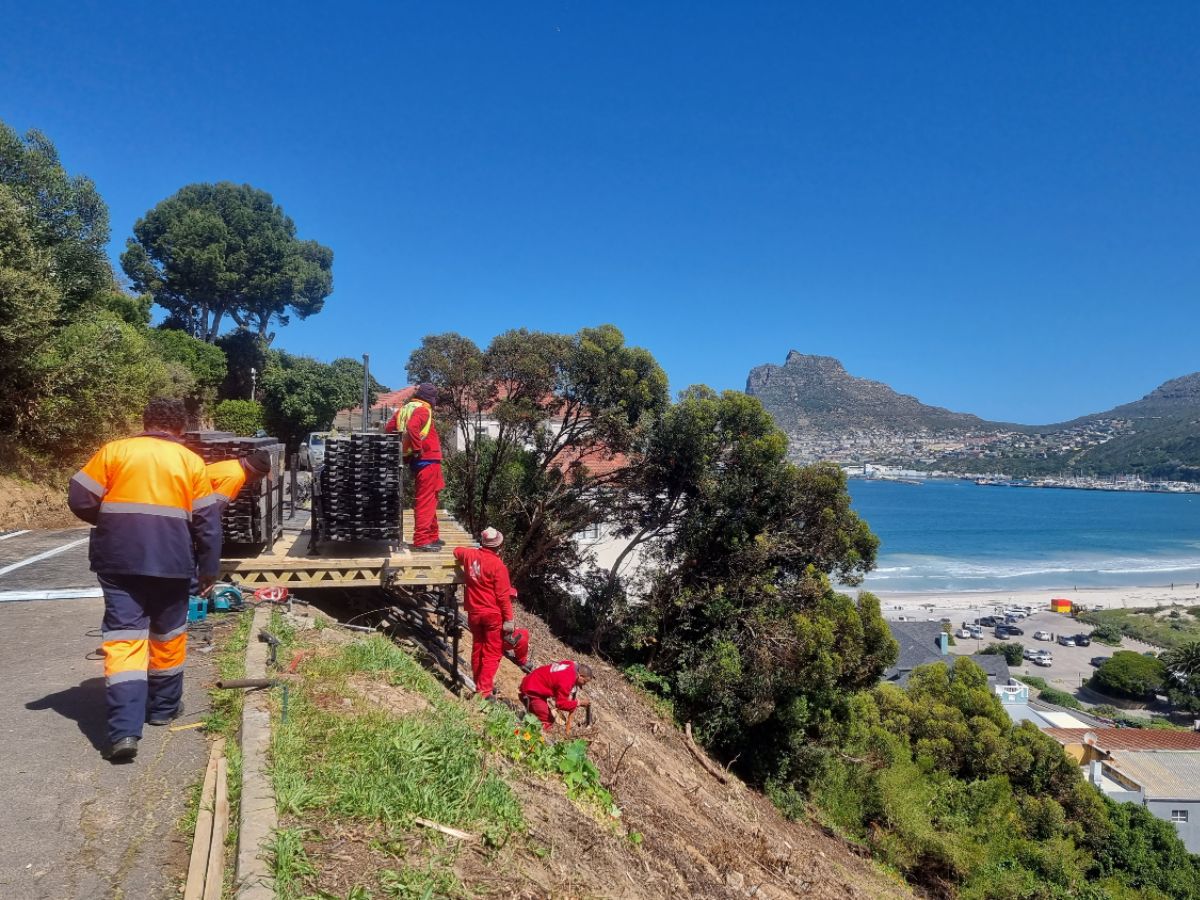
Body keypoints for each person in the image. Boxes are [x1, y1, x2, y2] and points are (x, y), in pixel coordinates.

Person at [68, 399, 223, 761]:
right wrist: (209, 569)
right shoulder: (190, 462)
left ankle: (124, 731)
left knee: (124, 640)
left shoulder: (114, 452)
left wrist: (111, 522)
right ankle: (163, 709)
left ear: (145, 422)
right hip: (173, 562)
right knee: (168, 636)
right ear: (181, 429)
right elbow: (208, 524)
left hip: (118, 561)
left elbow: (79, 497)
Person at [453, 527, 513, 697]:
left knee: (478, 648)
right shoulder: (498, 566)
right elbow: (503, 596)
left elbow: (456, 551)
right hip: (492, 615)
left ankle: (479, 683)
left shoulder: (470, 556)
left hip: (474, 613)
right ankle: (484, 691)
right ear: (498, 546)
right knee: (492, 653)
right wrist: (509, 620)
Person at [385, 383, 443, 551]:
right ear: (430, 398)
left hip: (416, 460)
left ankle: (432, 535)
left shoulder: (404, 409)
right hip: (427, 459)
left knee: (431, 498)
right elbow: (412, 427)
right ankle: (422, 539)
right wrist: (417, 448)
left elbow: (389, 429)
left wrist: (402, 449)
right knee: (426, 499)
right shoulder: (423, 410)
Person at [519, 660, 593, 731]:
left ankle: (527, 715)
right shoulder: (567, 679)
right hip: (532, 690)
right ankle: (528, 734)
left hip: (533, 682)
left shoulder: (571, 664)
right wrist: (579, 703)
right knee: (547, 721)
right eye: (584, 681)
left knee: (543, 716)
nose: (583, 685)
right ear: (580, 676)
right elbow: (560, 704)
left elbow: (557, 682)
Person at [502, 588, 531, 670]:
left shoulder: (506, 608)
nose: (511, 600)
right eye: (510, 597)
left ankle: (521, 657)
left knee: (524, 632)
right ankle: (522, 662)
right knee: (521, 640)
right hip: (495, 638)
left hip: (503, 634)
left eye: (513, 598)